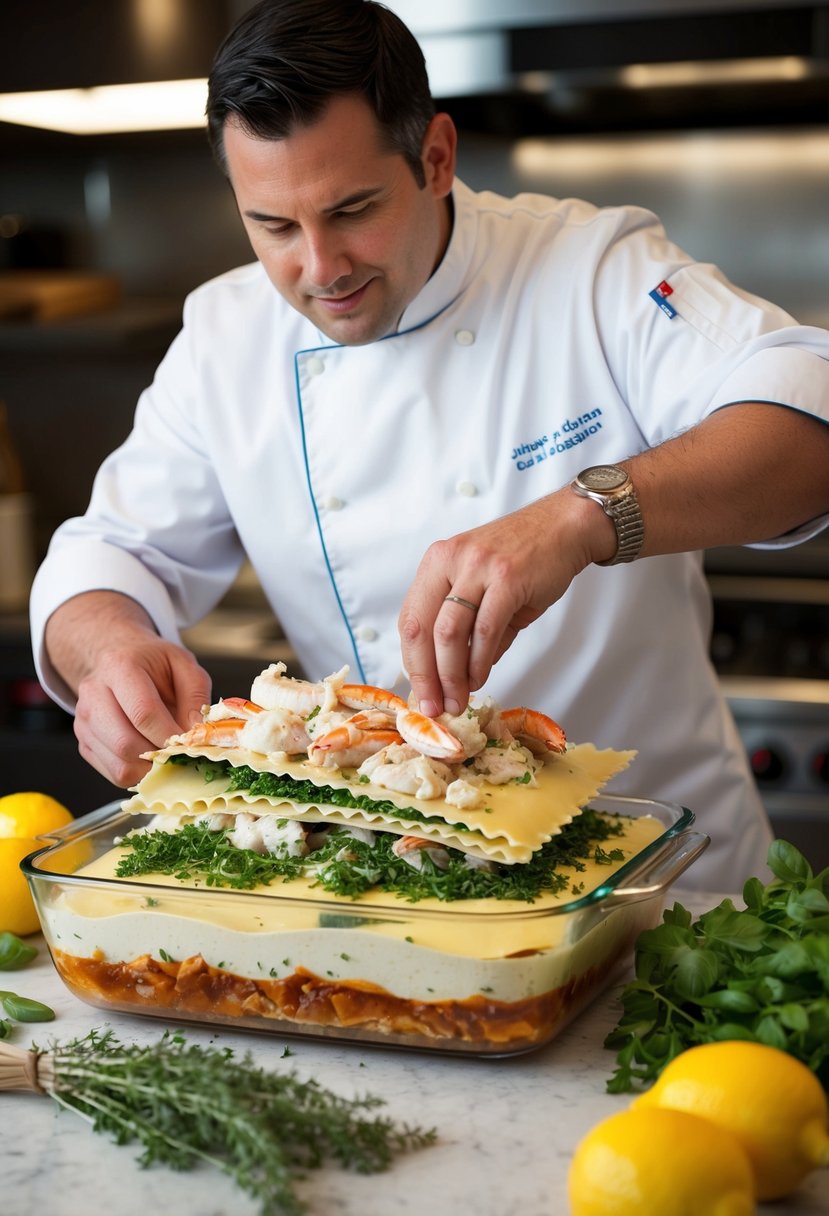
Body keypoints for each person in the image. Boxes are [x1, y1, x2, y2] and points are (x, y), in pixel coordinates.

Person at [30, 0, 829, 891]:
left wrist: (583, 513)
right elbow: (111, 551)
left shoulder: (593, 271)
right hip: (410, 889)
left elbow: (807, 424)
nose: (321, 267)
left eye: (354, 209)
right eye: (274, 227)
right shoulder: (225, 337)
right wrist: (106, 653)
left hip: (666, 880)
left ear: (436, 157)